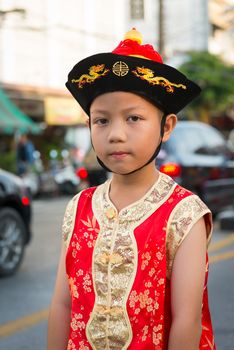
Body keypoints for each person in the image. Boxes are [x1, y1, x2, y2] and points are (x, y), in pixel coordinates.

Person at [48, 28, 216, 350]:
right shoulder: (78, 206)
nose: (116, 134)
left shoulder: (183, 214)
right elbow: (62, 305)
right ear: (88, 127)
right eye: (102, 121)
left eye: (134, 118)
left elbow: (186, 322)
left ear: (166, 127)